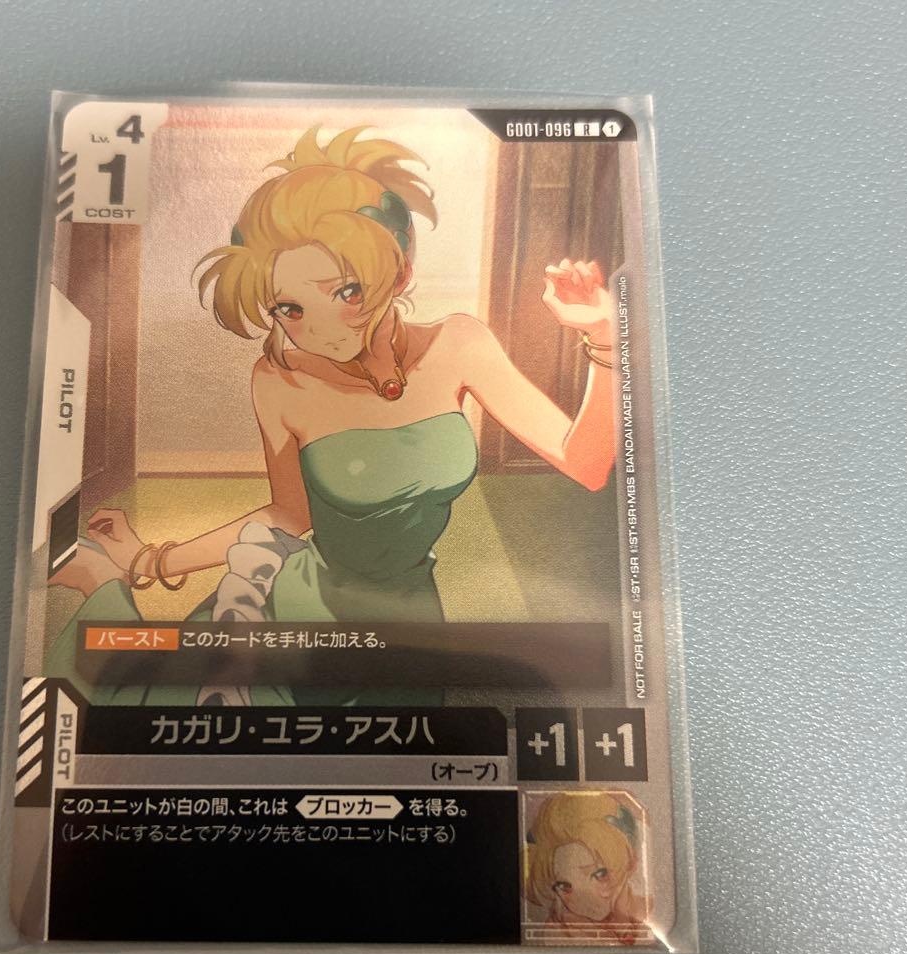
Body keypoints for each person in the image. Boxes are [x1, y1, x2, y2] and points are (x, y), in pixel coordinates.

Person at [46, 126, 616, 707]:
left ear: (399, 272)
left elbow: (588, 464)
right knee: (173, 720)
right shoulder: (280, 380)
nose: (317, 330)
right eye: (289, 308)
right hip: (303, 612)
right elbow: (288, 513)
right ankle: (103, 582)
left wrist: (603, 335)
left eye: (346, 293)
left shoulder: (460, 344)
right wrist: (153, 559)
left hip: (413, 617)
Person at [525, 792, 647, 944]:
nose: (584, 899)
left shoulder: (648, 914)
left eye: (600, 875)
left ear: (629, 861)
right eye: (564, 886)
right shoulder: (560, 932)